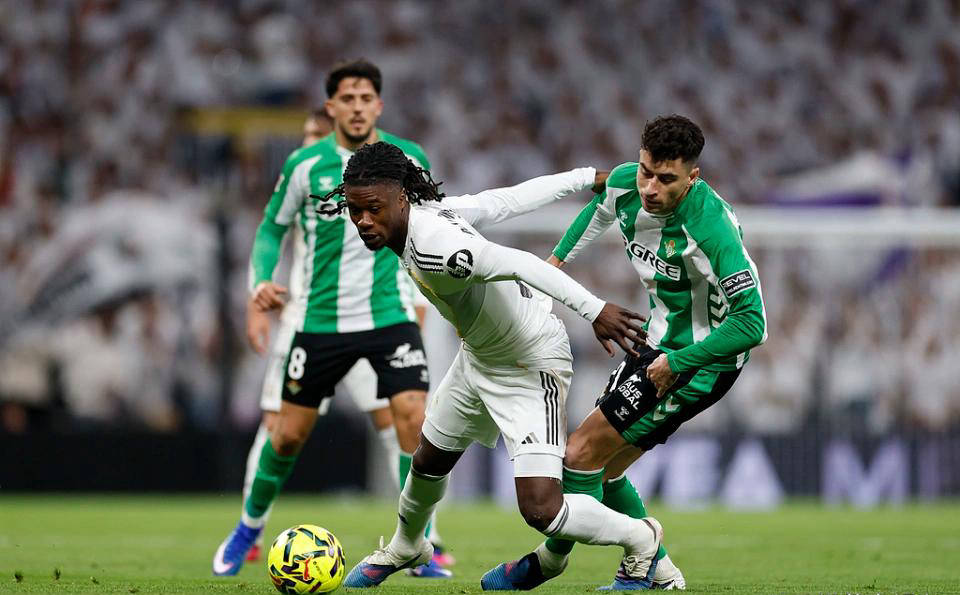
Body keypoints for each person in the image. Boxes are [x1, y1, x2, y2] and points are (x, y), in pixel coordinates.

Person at [324, 142, 663, 590]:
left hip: (529, 360)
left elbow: (519, 263)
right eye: (355, 210)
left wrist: (594, 309)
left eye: (374, 208)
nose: (364, 221)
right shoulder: (427, 212)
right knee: (428, 459)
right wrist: (583, 177)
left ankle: (642, 538)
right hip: (479, 355)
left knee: (542, 509)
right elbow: (502, 201)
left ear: (401, 198)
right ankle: (408, 546)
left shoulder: (438, 249)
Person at [484, 114, 768, 590]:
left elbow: (752, 324)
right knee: (606, 470)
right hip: (656, 343)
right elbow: (598, 212)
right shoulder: (625, 184)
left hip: (701, 361)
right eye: (645, 171)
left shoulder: (711, 228)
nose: (650, 188)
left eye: (666, 179)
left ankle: (562, 560)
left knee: (579, 454)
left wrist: (677, 362)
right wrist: (553, 266)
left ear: (692, 177)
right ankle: (662, 573)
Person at [213, 59, 451, 578]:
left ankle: (419, 545)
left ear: (379, 105)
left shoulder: (409, 158)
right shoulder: (306, 165)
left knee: (414, 423)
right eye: (348, 99)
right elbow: (271, 229)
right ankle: (249, 528)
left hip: (389, 317)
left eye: (366, 99)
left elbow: (437, 225)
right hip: (319, 322)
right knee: (286, 436)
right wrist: (260, 283)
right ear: (331, 106)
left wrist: (430, 294)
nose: (357, 108)